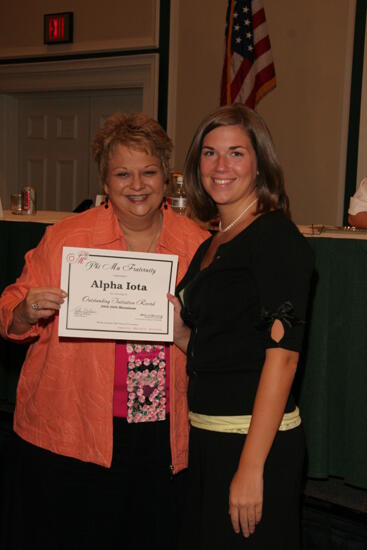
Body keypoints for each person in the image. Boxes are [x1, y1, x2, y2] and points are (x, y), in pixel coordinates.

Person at [0, 112, 208, 550]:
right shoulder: (66, 238)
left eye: (149, 171)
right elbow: (9, 313)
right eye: (123, 173)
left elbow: (219, 339)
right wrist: (26, 310)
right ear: (105, 182)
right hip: (71, 428)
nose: (137, 185)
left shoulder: (196, 245)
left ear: (165, 179)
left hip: (160, 434)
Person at [168, 104, 314, 549]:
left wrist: (251, 467)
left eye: (236, 153)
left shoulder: (275, 237)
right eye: (209, 153)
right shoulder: (213, 242)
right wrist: (172, 325)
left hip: (255, 444)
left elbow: (284, 358)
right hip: (208, 438)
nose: (220, 166)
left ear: (259, 163)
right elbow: (218, 344)